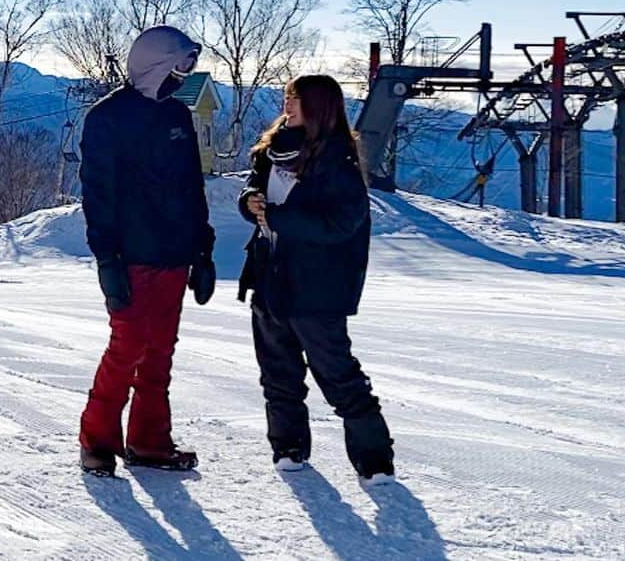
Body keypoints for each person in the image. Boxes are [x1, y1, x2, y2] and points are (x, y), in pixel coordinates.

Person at [237, 74, 395, 484]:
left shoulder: (338, 161)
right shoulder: (271, 151)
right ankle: (288, 449)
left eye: (296, 99)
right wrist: (249, 201)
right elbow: (257, 190)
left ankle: (375, 461)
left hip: (316, 287)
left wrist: (279, 216)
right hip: (270, 275)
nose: (287, 105)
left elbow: (342, 224)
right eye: (287, 98)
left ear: (319, 108)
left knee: (338, 375)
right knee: (278, 373)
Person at [78, 25, 216, 477]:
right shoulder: (108, 118)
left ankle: (149, 442)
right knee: (128, 346)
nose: (186, 74)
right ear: (156, 63)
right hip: (130, 256)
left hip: (175, 254)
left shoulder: (177, 116)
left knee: (160, 351)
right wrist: (107, 260)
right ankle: (96, 440)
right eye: (181, 64)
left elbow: (191, 186)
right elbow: (98, 193)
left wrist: (203, 249)